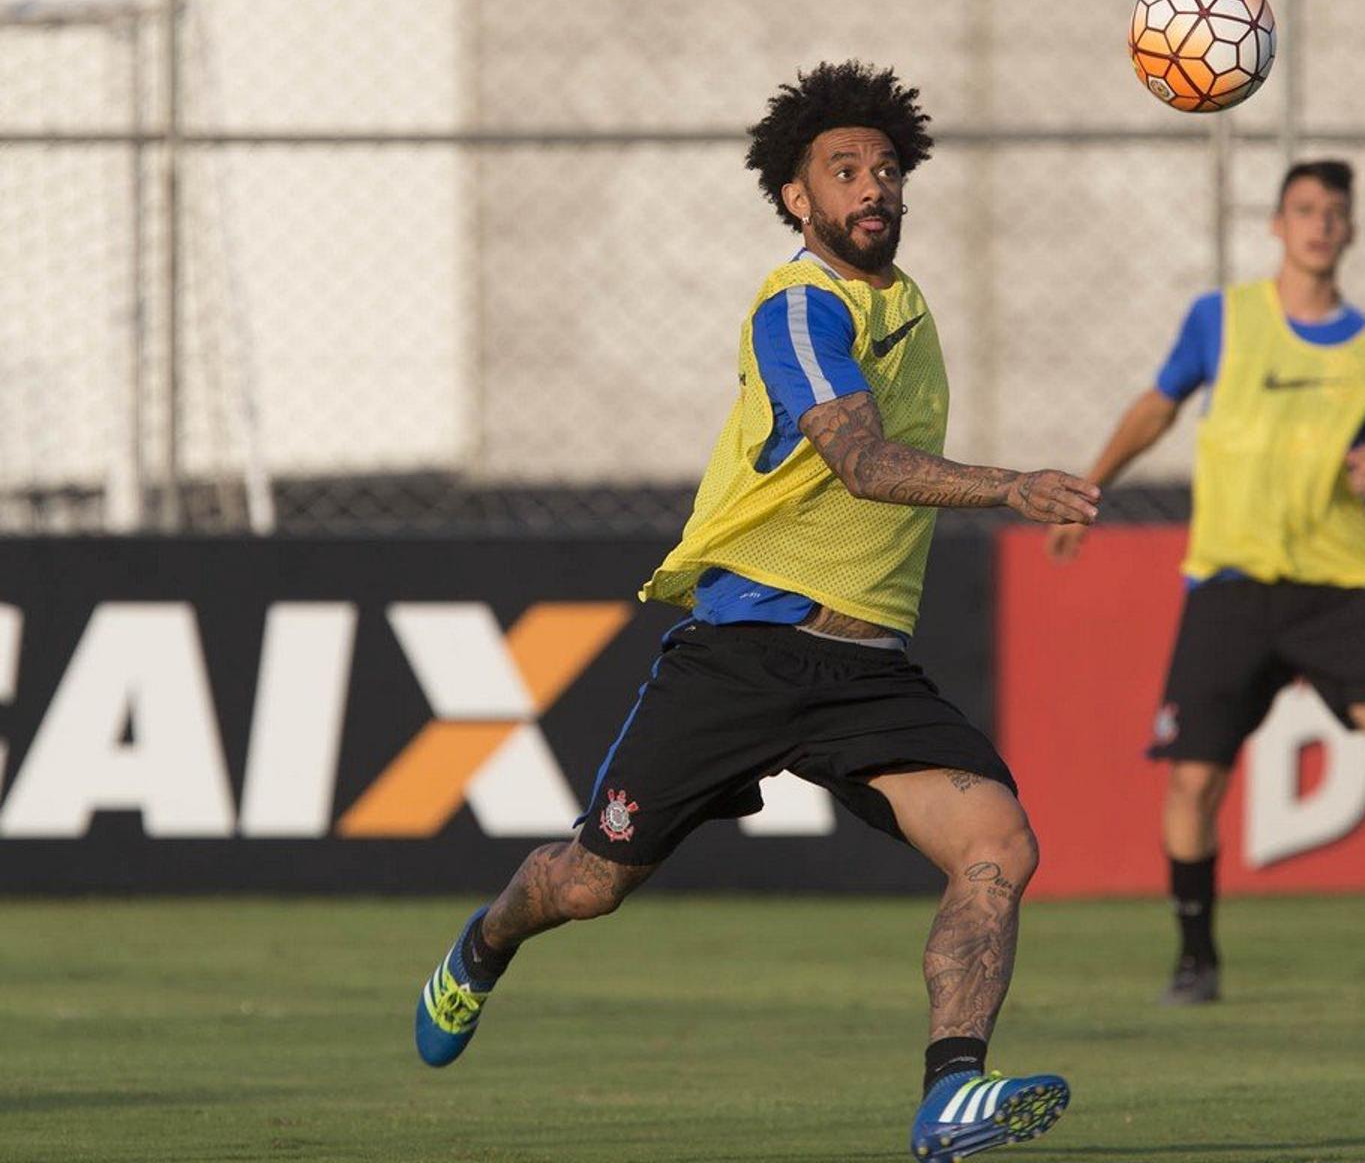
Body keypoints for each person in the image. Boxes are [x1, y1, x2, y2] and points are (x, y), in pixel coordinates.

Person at [413, 61, 1097, 1162]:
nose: (871, 186)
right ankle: (481, 950)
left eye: (884, 168)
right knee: (588, 885)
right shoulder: (796, 307)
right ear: (796, 197)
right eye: (843, 170)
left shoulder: (904, 303)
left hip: (867, 672)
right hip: (744, 657)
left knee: (999, 846)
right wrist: (1012, 486)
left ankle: (950, 1097)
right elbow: (865, 464)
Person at [1046, 159, 1365, 1007]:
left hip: (1336, 583)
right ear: (1276, 226)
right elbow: (1158, 406)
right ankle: (1195, 959)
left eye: (1334, 212)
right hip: (1233, 581)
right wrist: (1089, 485)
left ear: (1352, 230)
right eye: (1304, 210)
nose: (1320, 225)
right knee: (1193, 780)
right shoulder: (1223, 319)